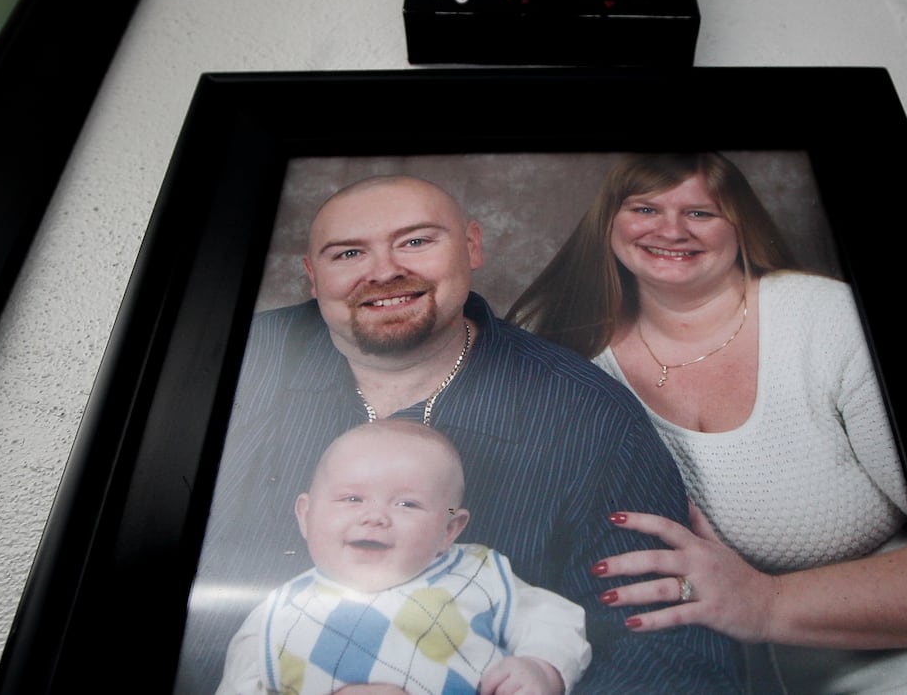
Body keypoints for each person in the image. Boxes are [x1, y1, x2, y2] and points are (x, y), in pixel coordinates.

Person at [179, 175, 743, 695]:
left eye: (416, 241)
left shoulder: (584, 413)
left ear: (473, 246)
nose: (382, 272)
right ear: (312, 273)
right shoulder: (228, 365)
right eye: (349, 253)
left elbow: (665, 647)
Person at [507, 153, 907, 694]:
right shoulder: (557, 344)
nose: (670, 229)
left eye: (700, 213)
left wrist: (767, 603)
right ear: (608, 223)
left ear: (740, 226)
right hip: (691, 666)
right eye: (645, 208)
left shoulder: (825, 322)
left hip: (900, 651)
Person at [217, 421, 590, 695]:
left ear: (450, 530)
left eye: (406, 504)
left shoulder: (479, 575)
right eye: (352, 499)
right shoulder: (279, 613)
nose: (375, 516)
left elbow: (555, 620)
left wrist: (541, 668)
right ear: (306, 514)